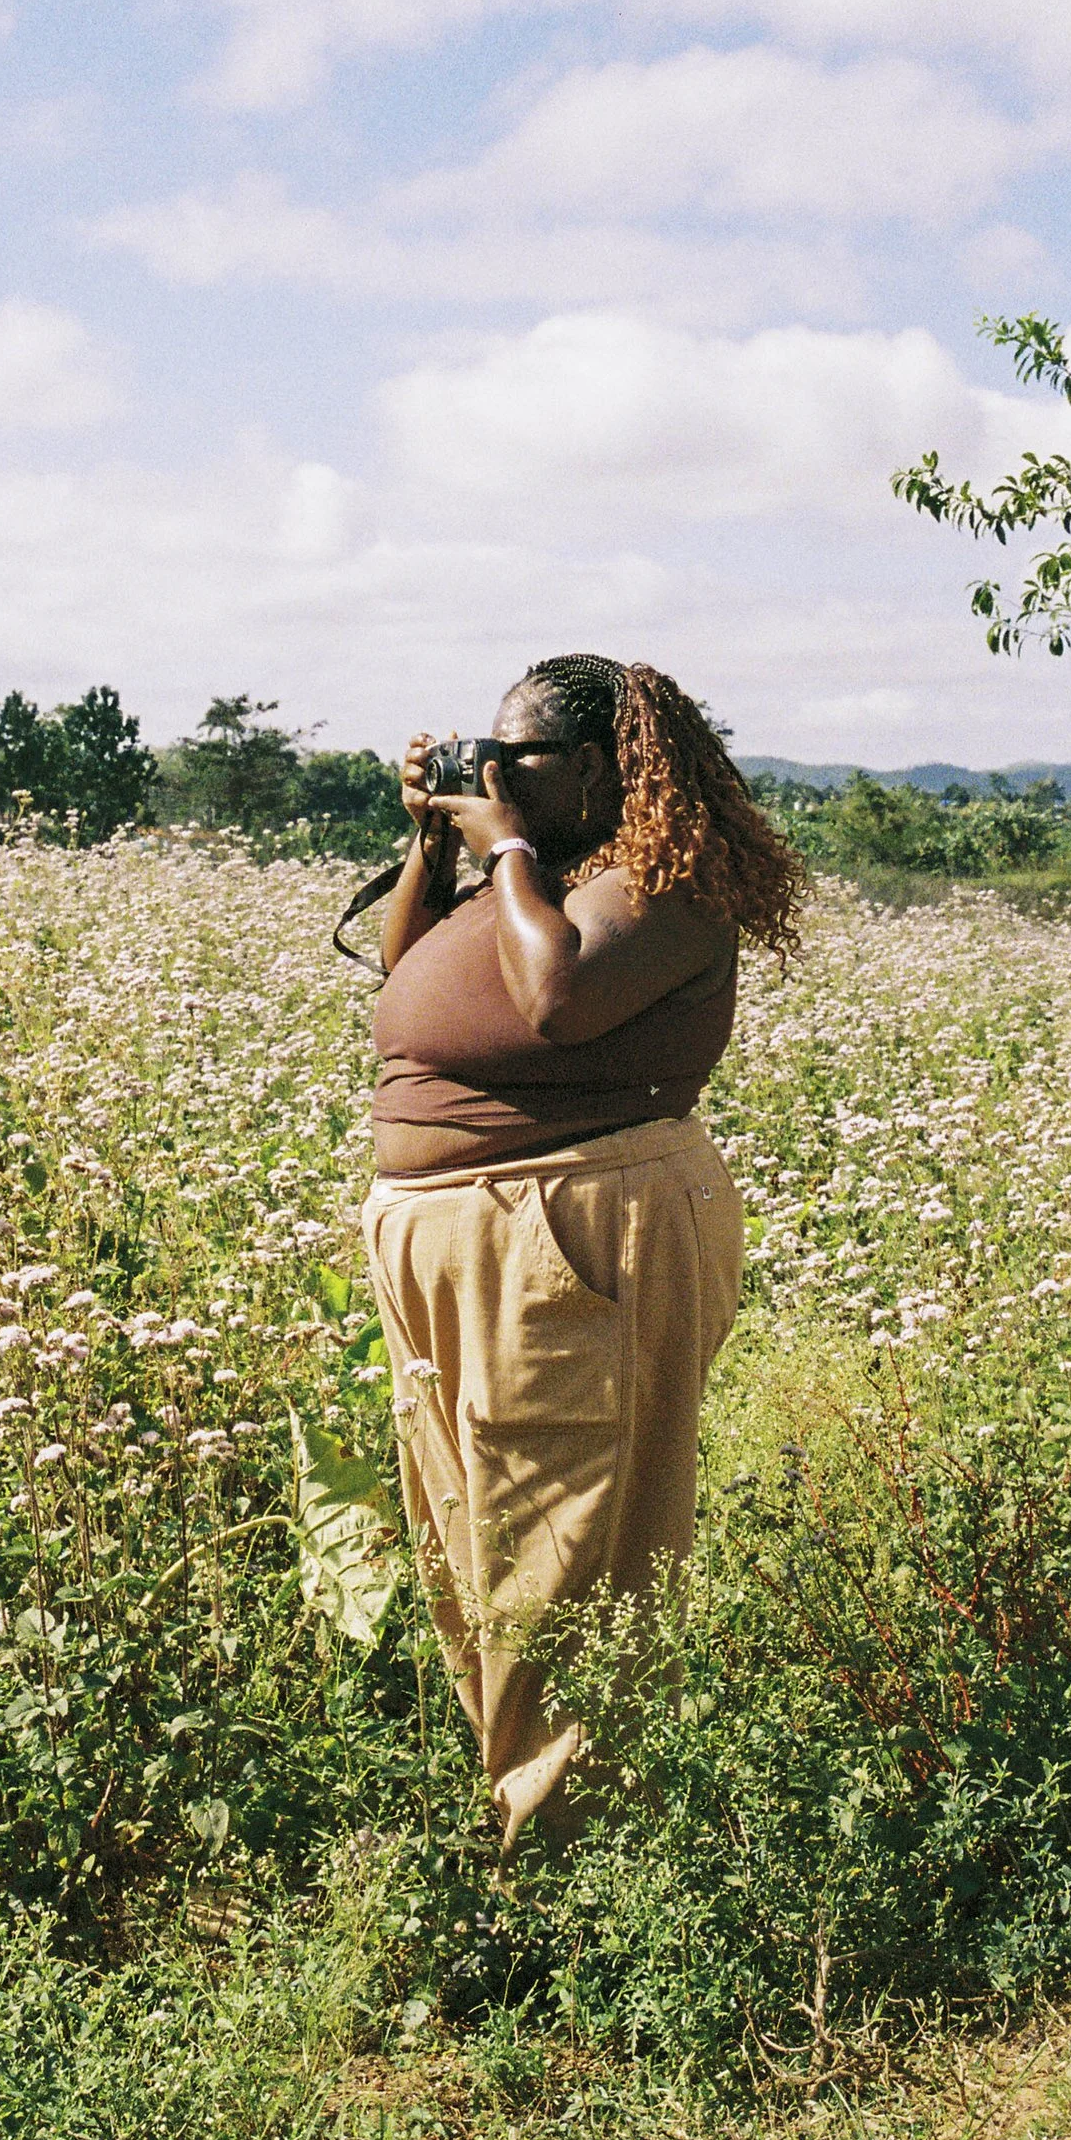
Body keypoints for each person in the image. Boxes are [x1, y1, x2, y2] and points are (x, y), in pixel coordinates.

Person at [360, 652, 806, 1845]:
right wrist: (436, 846)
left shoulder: (662, 885)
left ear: (603, 769)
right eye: (481, 755)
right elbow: (402, 978)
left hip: (568, 1228)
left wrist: (502, 849)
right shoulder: (538, 879)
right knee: (475, 1537)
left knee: (564, 1550)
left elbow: (557, 1001)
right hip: (465, 1238)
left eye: (519, 760)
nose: (492, 773)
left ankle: (571, 1875)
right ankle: (527, 1829)